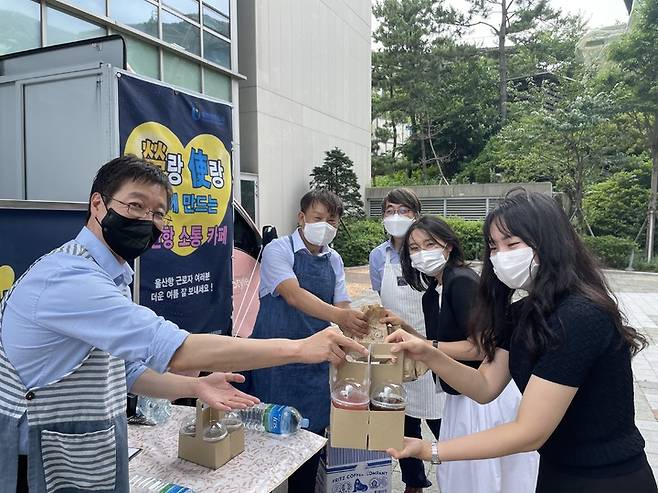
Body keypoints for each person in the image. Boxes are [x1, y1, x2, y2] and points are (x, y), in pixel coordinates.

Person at [0, 156, 367, 493]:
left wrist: (195, 385)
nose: (148, 220)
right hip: (36, 459)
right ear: (98, 204)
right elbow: (181, 349)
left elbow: (124, 372)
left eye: (159, 213)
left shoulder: (111, 275)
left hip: (82, 451)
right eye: (136, 205)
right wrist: (301, 348)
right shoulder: (70, 278)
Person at [386, 191, 658, 493]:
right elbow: (485, 386)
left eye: (512, 244)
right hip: (556, 469)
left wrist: (431, 451)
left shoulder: (580, 315)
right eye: (493, 246)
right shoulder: (520, 312)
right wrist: (426, 352)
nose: (500, 255)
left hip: (607, 478)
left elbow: (529, 432)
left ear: (549, 244)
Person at [383, 214, 538, 493]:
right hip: (460, 391)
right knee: (462, 476)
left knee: (485, 477)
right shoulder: (433, 291)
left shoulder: (461, 281)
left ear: (449, 245)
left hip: (484, 393)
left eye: (429, 244)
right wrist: (406, 329)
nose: (422, 253)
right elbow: (437, 343)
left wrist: (427, 348)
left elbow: (479, 346)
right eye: (414, 249)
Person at [248, 189, 368, 492]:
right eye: (318, 218)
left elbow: (341, 305)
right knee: (269, 439)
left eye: (332, 222)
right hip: (274, 362)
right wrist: (340, 318)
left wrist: (356, 325)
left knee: (309, 440)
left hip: (314, 365)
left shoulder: (334, 259)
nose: (325, 226)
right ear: (301, 218)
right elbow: (292, 293)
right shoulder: (279, 249)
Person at [368, 189, 444, 493]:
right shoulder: (378, 256)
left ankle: (462, 471)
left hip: (432, 344)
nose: (395, 217)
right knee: (402, 418)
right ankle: (413, 481)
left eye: (403, 210)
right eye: (388, 211)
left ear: (416, 214)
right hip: (395, 348)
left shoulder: (425, 254)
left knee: (443, 419)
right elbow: (380, 296)